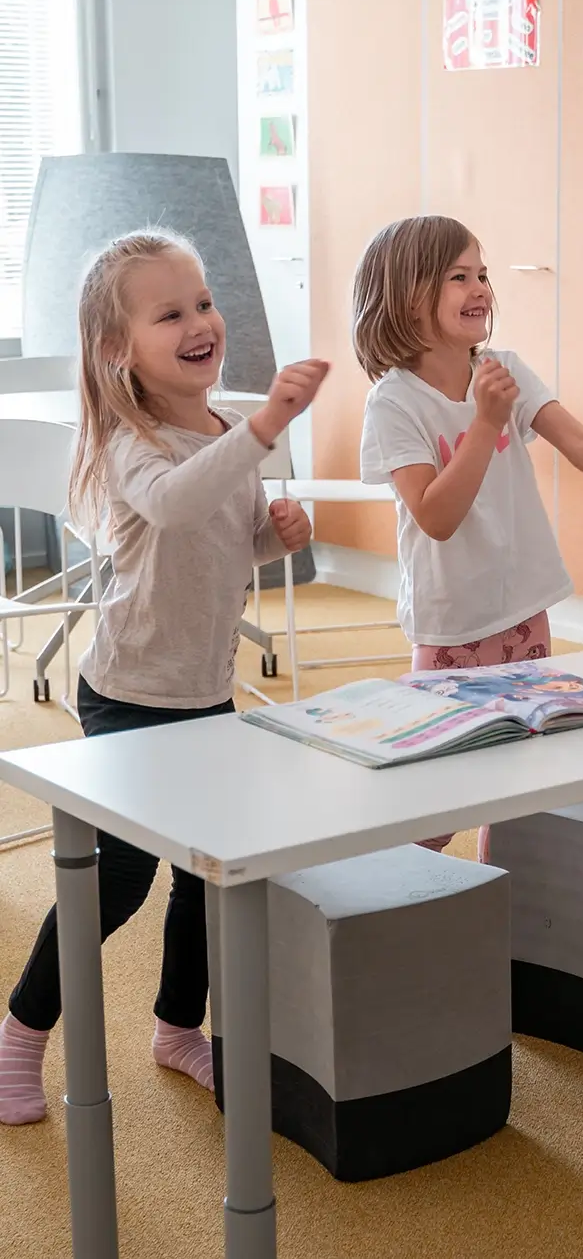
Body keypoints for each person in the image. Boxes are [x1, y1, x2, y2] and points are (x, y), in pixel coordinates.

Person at [0, 231, 326, 1126]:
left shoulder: (223, 431)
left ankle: (178, 1029)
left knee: (206, 875)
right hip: (131, 694)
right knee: (116, 880)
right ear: (119, 351)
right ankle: (20, 1034)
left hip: (204, 690)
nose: (200, 322)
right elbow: (177, 505)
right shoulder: (127, 444)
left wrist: (278, 534)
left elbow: (228, 540)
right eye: (170, 312)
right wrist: (265, 430)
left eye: (204, 302)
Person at [354, 214, 583, 856]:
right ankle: (395, 904)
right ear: (406, 297)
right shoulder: (394, 402)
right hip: (452, 623)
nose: (480, 286)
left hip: (522, 614)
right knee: (438, 798)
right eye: (459, 276)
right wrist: (485, 422)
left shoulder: (504, 367)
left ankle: (509, 906)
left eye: (482, 272)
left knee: (521, 777)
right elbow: (435, 515)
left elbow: (580, 438)